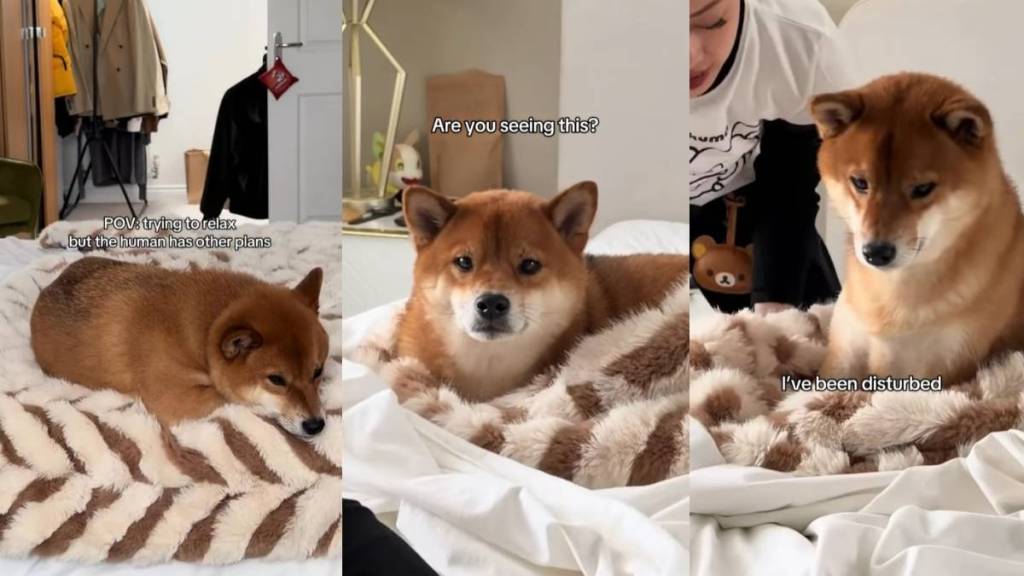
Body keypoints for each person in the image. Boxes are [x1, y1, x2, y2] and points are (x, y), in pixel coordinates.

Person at [689, 0, 851, 313]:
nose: (690, 55)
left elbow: (791, 182)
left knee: (809, 344)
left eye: (710, 21)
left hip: (754, 209)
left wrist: (775, 303)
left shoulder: (802, 43)